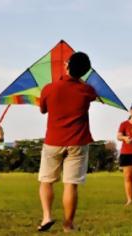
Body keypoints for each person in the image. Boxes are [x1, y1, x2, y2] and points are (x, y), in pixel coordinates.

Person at [38, 52, 97, 232]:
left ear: (67, 65)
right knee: (70, 184)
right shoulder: (87, 90)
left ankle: (47, 216)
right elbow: (93, 94)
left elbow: (42, 110)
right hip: (78, 142)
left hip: (53, 141)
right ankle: (68, 224)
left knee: (46, 181)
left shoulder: (49, 88)